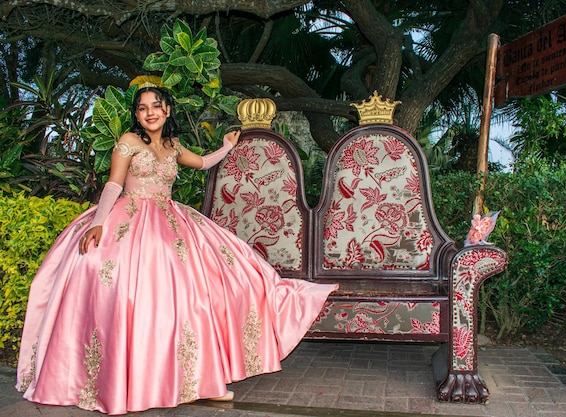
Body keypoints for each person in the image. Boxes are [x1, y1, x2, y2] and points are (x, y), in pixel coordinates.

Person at [15, 85, 338, 415]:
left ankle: (195, 378)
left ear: (168, 110)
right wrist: (98, 222)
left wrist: (226, 146)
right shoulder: (127, 142)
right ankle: (132, 381)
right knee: (131, 295)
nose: (150, 112)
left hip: (170, 221)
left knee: (201, 290)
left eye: (156, 106)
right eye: (142, 108)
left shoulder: (172, 145)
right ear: (136, 115)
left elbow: (201, 162)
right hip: (128, 220)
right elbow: (114, 183)